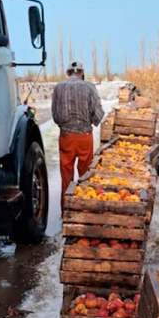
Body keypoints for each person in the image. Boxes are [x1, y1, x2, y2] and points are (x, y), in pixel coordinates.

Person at [51, 61, 104, 211]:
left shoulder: (58, 87)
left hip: (66, 136)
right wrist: (90, 121)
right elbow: (98, 114)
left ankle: (66, 210)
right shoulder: (89, 87)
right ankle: (83, 210)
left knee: (66, 174)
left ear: (68, 73)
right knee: (85, 174)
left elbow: (55, 116)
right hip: (84, 137)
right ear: (81, 73)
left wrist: (65, 125)